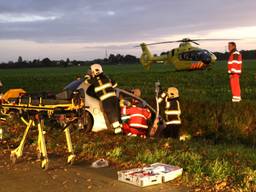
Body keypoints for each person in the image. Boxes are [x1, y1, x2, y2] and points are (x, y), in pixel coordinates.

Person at [87, 64, 122, 134]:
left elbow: (86, 82)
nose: (91, 72)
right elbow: (115, 85)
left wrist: (87, 77)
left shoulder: (93, 80)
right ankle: (121, 129)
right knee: (117, 112)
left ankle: (118, 132)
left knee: (111, 114)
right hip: (114, 98)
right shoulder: (106, 77)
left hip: (106, 101)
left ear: (95, 71)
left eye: (91, 71)